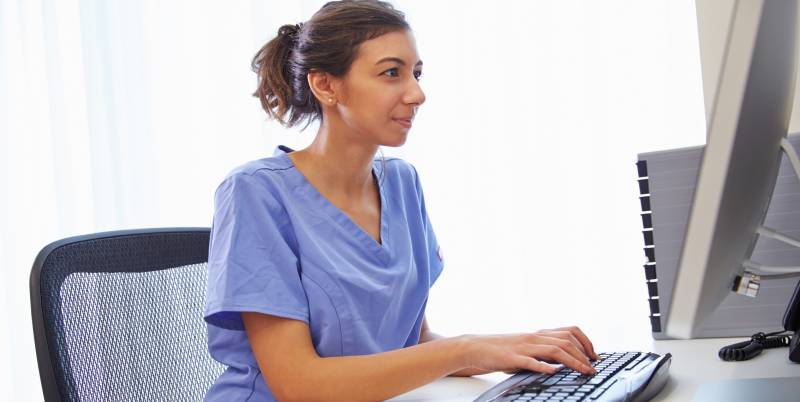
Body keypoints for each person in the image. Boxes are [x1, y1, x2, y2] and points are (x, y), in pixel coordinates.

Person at [203, 1, 600, 401]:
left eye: (417, 73)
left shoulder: (402, 183)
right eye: (391, 73)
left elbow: (416, 340)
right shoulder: (255, 192)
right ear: (325, 85)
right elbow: (298, 383)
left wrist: (511, 351)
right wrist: (466, 347)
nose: (417, 93)